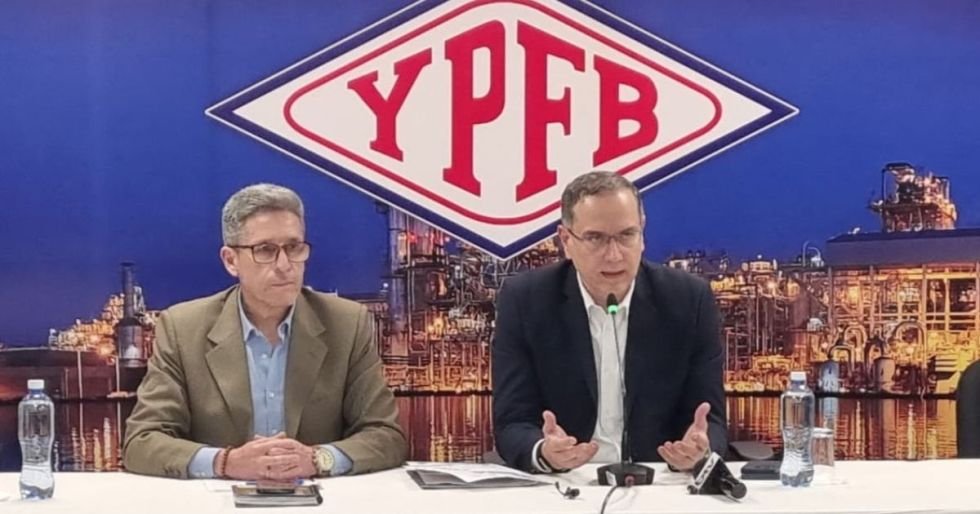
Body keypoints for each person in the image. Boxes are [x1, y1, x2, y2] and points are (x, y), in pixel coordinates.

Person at [123, 183, 406, 479]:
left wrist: (318, 459)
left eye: (294, 248)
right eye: (266, 250)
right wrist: (226, 462)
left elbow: (386, 435)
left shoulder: (347, 324)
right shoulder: (182, 329)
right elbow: (142, 441)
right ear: (231, 261)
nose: (285, 265)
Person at [492, 171, 727, 473]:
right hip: (566, 481)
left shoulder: (688, 300)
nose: (614, 255)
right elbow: (512, 423)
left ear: (642, 233)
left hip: (658, 480)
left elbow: (711, 421)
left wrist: (699, 449)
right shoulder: (525, 300)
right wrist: (544, 452)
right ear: (566, 240)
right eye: (595, 238)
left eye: (627, 235)